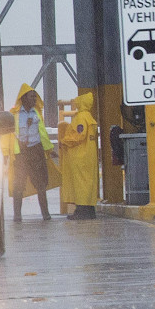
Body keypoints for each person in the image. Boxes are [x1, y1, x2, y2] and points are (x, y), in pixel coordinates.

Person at [11, 87, 52, 222]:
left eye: (35, 97)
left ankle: (46, 214)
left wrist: (49, 150)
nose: (34, 99)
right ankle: (17, 216)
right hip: (21, 154)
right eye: (31, 97)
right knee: (19, 185)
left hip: (36, 151)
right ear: (23, 99)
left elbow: (43, 134)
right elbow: (8, 135)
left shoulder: (37, 114)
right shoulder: (14, 115)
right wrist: (7, 152)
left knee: (41, 184)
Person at [59, 90, 100, 220]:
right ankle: (89, 210)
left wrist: (64, 141)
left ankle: (81, 211)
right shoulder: (90, 118)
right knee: (89, 184)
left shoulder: (81, 118)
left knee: (80, 184)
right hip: (89, 156)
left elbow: (78, 135)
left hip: (79, 157)